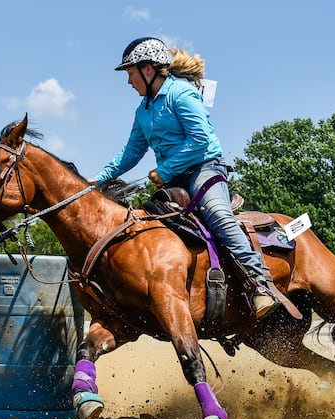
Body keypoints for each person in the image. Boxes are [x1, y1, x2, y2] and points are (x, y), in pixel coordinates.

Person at [93, 37, 278, 319]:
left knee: (218, 214)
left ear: (148, 69)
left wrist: (164, 171)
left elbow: (200, 140)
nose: (129, 81)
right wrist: (96, 182)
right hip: (175, 180)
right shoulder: (143, 110)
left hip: (206, 169)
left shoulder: (181, 94)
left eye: (130, 73)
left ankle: (259, 284)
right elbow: (130, 153)